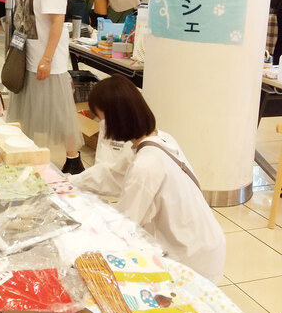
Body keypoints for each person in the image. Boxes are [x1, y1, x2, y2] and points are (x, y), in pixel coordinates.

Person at [70, 75, 225, 283]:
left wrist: (82, 241)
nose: (100, 125)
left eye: (100, 118)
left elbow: (125, 225)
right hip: (204, 239)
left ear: (117, 118)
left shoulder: (145, 166)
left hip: (192, 255)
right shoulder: (158, 140)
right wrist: (68, 182)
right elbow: (112, 174)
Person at [6, 0, 83, 174]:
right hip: (24, 52)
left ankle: (73, 158)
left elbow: (57, 22)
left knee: (59, 110)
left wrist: (47, 59)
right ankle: (26, 153)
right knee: (26, 108)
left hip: (48, 57)